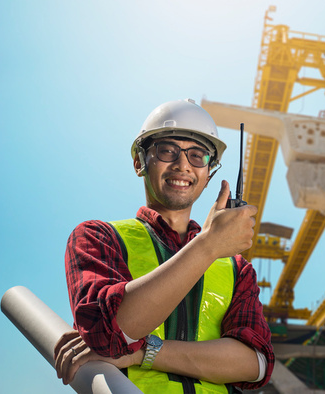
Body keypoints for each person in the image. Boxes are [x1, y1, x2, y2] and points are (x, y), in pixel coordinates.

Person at [54, 99, 274, 393]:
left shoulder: (236, 268)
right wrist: (208, 245)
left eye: (197, 155)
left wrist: (144, 352)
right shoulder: (98, 238)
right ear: (139, 163)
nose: (183, 164)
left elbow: (255, 365)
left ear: (208, 174)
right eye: (167, 151)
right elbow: (111, 333)